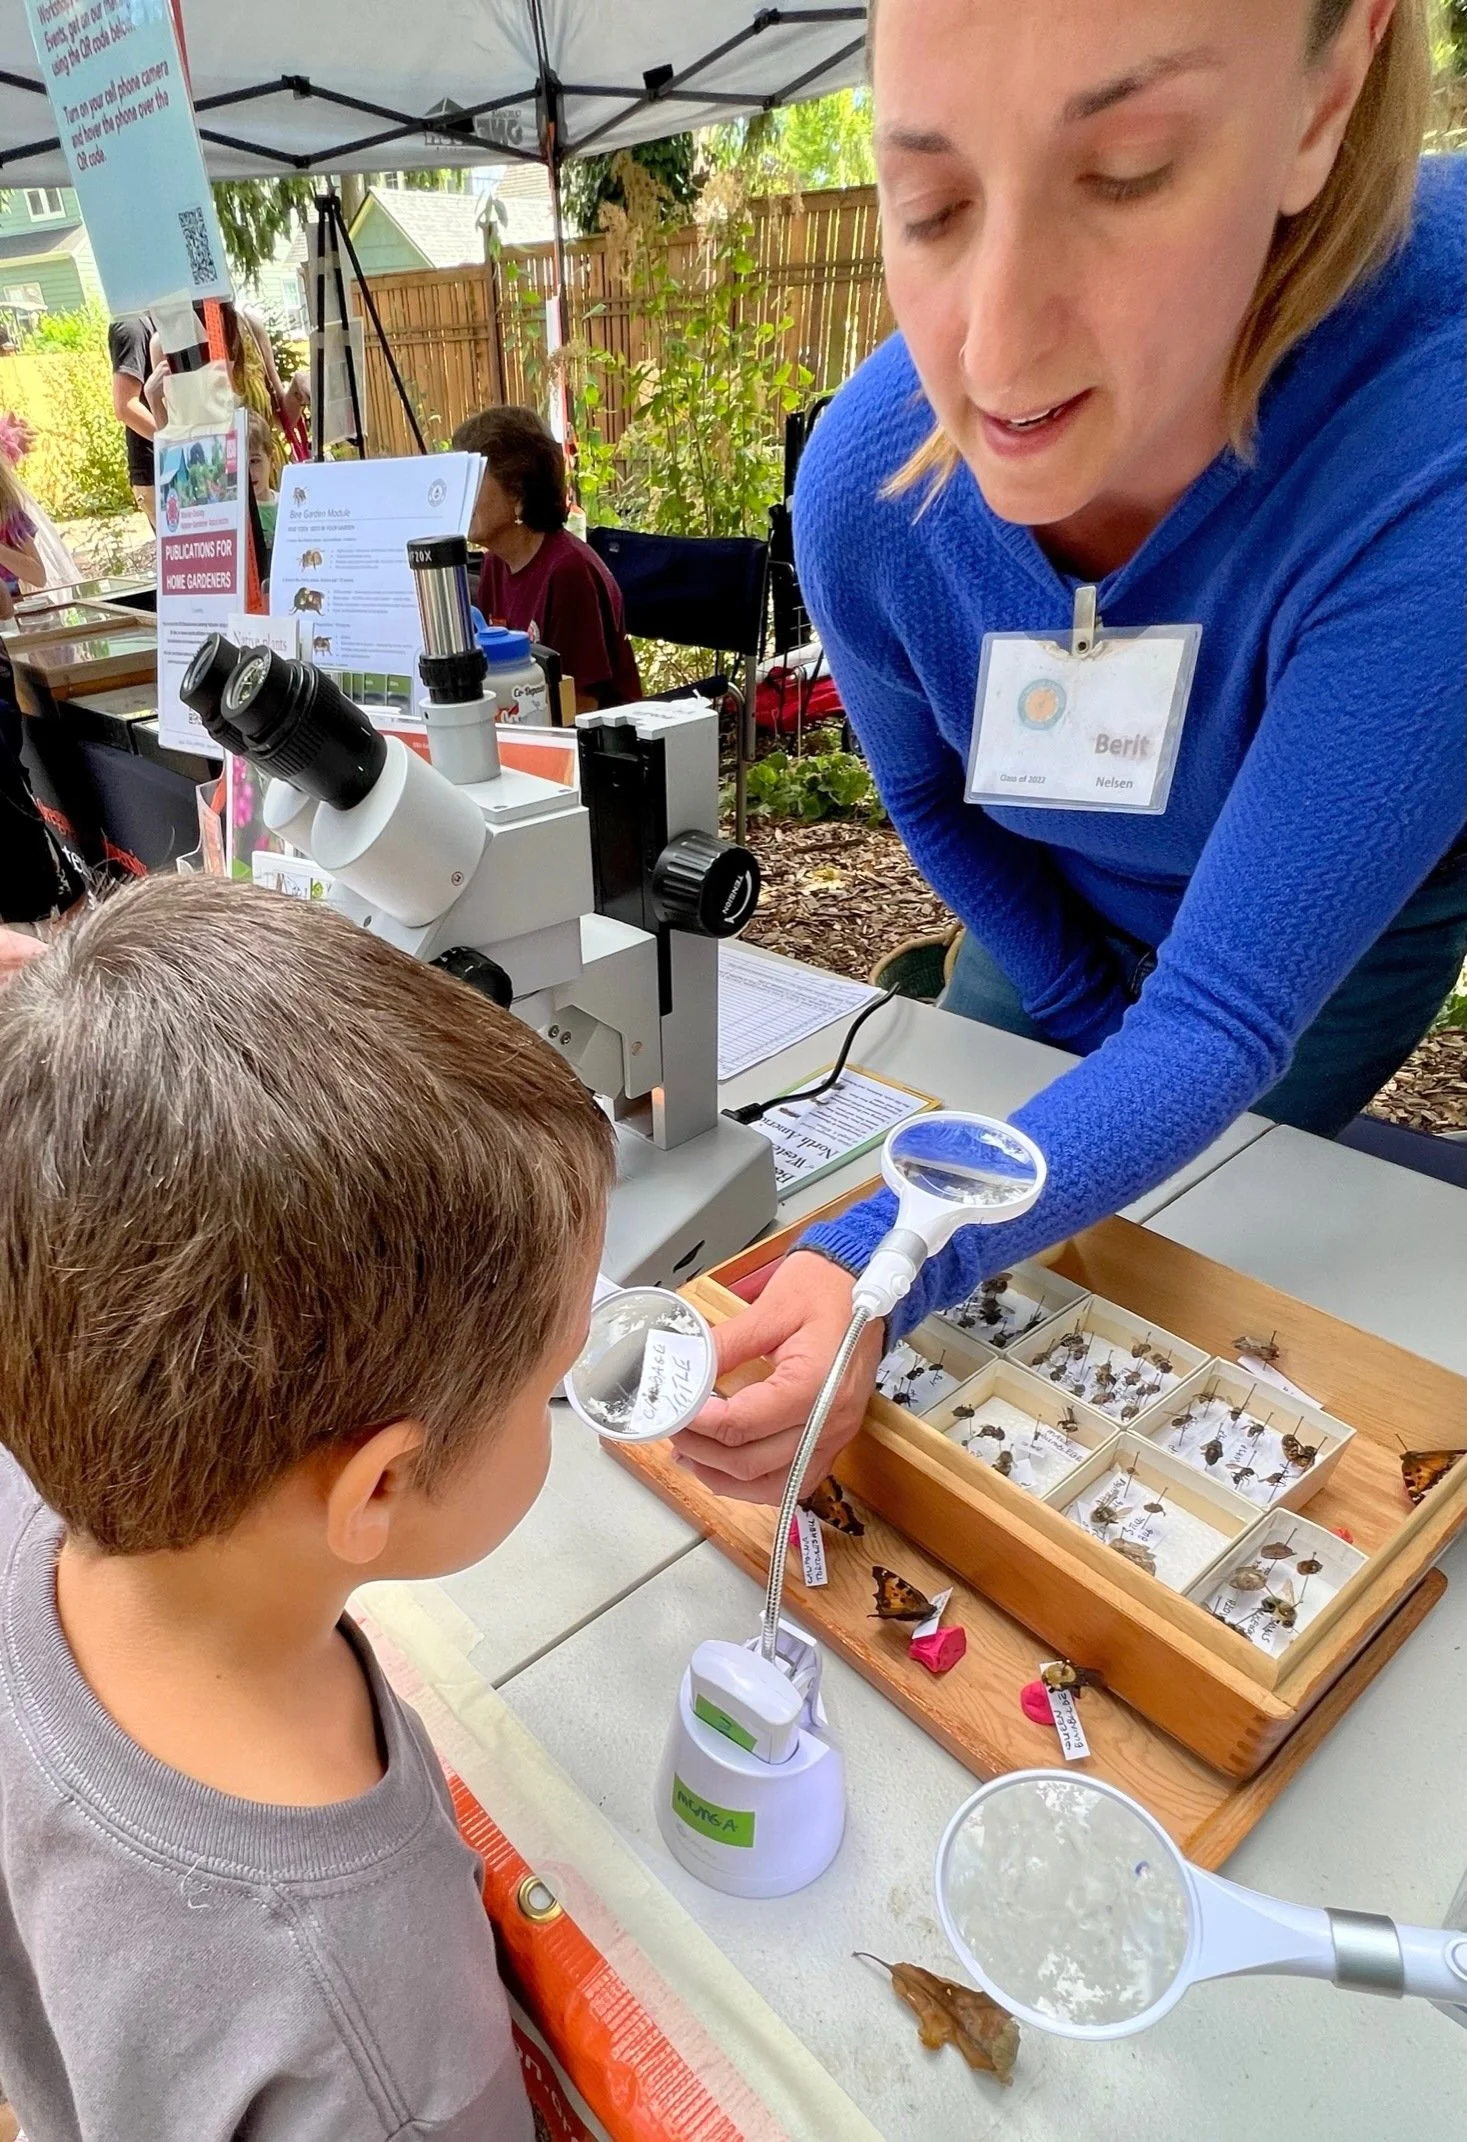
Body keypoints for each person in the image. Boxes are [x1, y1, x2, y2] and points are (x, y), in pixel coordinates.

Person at [678, 0, 1466, 1504]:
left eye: (1127, 173)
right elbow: (922, 784)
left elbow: (1224, 1021)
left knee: (1195, 1246)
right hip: (1042, 898)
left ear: (1328, 90)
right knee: (1033, 1154)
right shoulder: (869, 483)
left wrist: (872, 1252)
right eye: (929, 205)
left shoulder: (1424, 434)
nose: (996, 347)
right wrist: (1055, 992)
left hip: (1312, 949)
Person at [0, 875, 615, 2140]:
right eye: (550, 1384)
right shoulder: (374, 2036)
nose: (556, 1401)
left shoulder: (32, 1492)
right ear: (376, 1485)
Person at [453, 404, 642, 712]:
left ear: (517, 492)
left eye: (471, 481)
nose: (459, 496)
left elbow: (580, 707)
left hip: (592, 744)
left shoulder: (568, 572)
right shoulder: (495, 563)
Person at [108, 312, 158, 525]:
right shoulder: (131, 324)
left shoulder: (154, 318)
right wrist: (176, 443)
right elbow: (125, 406)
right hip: (156, 471)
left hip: (169, 465)